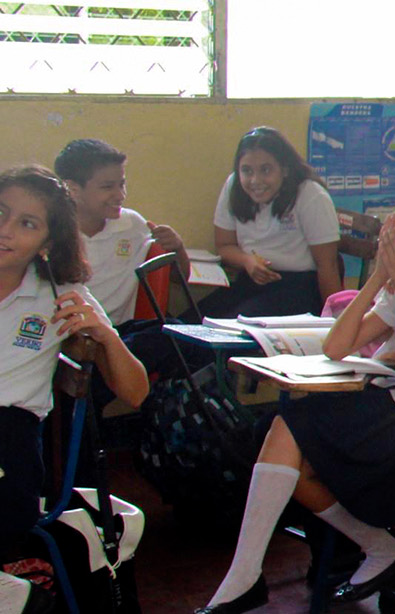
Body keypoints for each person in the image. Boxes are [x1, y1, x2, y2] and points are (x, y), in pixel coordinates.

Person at [198, 167, 395, 613]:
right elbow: (338, 345)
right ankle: (260, 573)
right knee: (283, 431)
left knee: (293, 431)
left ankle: (263, 573)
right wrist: (379, 278)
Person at [0, 166, 148, 559]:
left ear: (47, 242)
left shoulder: (61, 295)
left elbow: (135, 393)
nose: (6, 229)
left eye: (27, 223)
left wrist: (106, 334)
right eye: (0, 212)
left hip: (9, 442)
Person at [201, 127, 342, 318]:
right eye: (247, 170)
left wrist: (334, 323)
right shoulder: (233, 186)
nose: (255, 180)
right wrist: (247, 261)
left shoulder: (310, 194)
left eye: (265, 170)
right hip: (251, 281)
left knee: (233, 331)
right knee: (192, 324)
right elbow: (224, 245)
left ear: (284, 170)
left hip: (298, 289)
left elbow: (328, 266)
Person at [55, 139, 188, 325]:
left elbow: (178, 278)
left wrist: (177, 247)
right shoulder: (52, 233)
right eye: (107, 187)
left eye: (122, 184)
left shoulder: (132, 225)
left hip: (119, 333)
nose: (120, 195)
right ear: (73, 189)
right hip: (64, 332)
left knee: (175, 334)